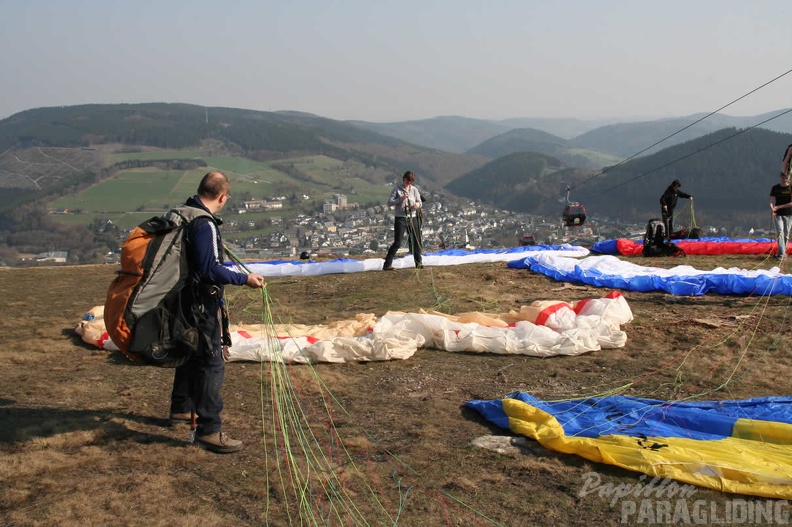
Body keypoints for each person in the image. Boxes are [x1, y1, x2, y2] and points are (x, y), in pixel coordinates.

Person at [169, 171, 265, 453]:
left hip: (181, 302)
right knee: (211, 362)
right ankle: (209, 429)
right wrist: (243, 279)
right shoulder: (203, 224)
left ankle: (181, 408)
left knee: (189, 352)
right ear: (222, 197)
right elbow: (210, 269)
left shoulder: (183, 214)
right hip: (200, 305)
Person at [382, 171, 424, 270]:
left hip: (412, 217)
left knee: (416, 241)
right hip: (400, 218)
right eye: (408, 181)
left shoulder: (414, 190)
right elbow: (389, 203)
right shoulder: (396, 189)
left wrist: (416, 205)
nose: (409, 183)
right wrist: (400, 199)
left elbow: (420, 202)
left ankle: (418, 263)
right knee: (398, 242)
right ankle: (387, 264)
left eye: (411, 182)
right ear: (404, 179)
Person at [770, 172, 792, 260]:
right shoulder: (775, 188)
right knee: (780, 232)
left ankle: (781, 252)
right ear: (780, 178)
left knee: (786, 234)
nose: (784, 179)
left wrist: (779, 206)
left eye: (786, 178)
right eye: (783, 177)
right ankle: (782, 255)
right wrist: (772, 208)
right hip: (778, 214)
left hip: (789, 214)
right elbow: (771, 200)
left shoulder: (790, 187)